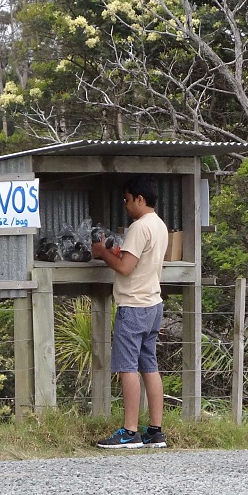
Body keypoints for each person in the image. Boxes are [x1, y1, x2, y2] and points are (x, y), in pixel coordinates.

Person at [92, 175, 169, 449]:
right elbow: (136, 259)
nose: (125, 205)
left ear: (139, 199)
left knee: (127, 368)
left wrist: (102, 252)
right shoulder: (160, 225)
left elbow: (125, 267)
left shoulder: (139, 227)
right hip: (153, 303)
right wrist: (116, 252)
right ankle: (155, 431)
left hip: (133, 305)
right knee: (149, 365)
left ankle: (129, 431)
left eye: (126, 200)